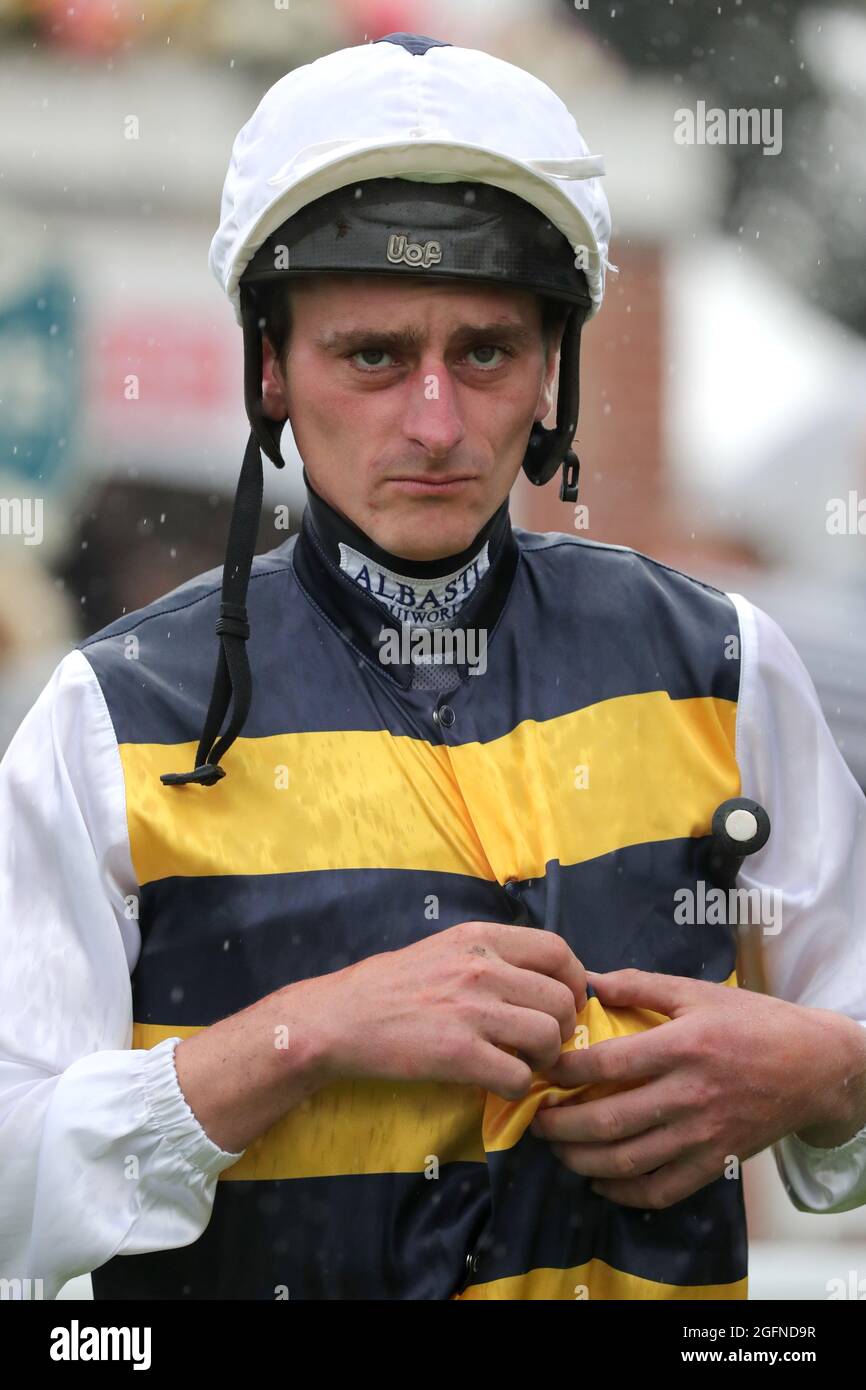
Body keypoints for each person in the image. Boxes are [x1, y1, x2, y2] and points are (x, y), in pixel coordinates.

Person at [2, 32, 866, 1303]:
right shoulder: (108, 711)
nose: (432, 421)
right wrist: (306, 1035)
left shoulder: (725, 660)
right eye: (370, 356)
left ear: (552, 374)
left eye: (483, 352)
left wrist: (830, 1076)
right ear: (268, 371)